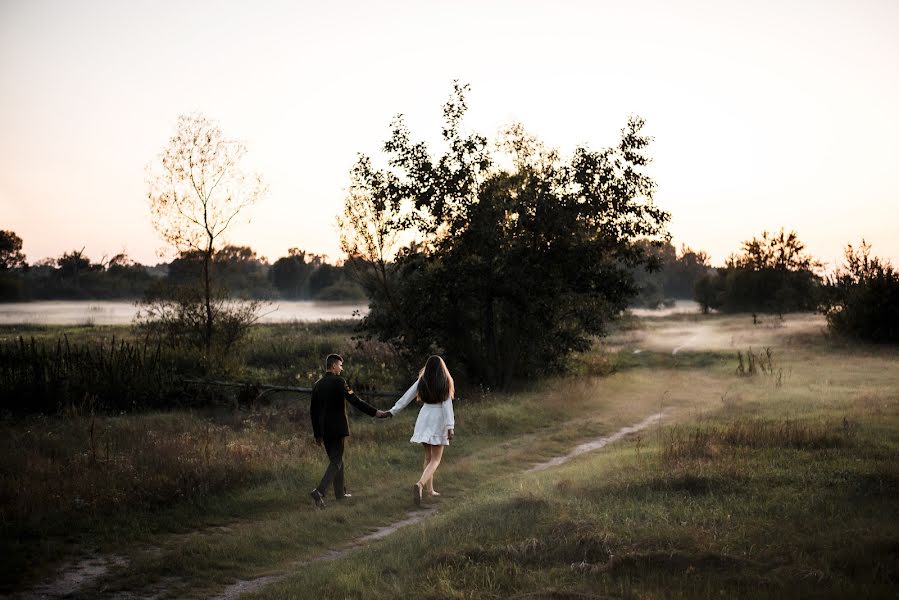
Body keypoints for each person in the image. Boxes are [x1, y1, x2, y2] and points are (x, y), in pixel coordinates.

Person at [309, 353, 389, 507]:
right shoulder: (339, 381)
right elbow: (355, 401)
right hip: (337, 428)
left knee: (337, 460)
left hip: (324, 431)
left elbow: (313, 411)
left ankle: (340, 494)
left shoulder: (317, 384)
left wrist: (317, 434)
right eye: (340, 365)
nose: (341, 368)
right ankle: (320, 491)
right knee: (336, 460)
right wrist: (375, 412)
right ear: (333, 366)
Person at [384, 355, 456, 506]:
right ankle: (421, 484)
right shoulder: (444, 382)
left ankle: (430, 490)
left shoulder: (422, 380)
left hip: (424, 417)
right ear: (442, 368)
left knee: (428, 457)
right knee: (436, 459)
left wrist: (393, 411)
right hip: (438, 419)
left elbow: (407, 396)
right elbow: (447, 406)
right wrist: (450, 427)